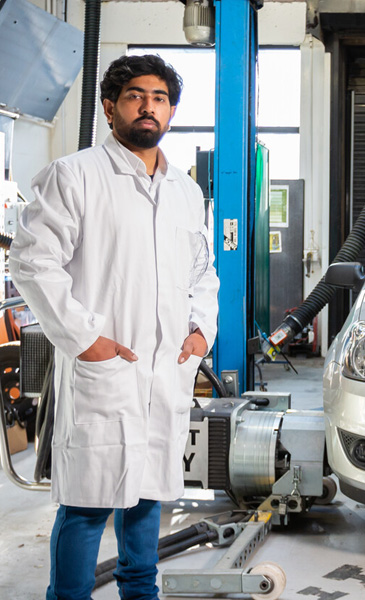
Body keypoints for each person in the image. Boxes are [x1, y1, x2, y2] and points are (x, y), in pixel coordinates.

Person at [9, 54, 219, 600]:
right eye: (135, 96)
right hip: (104, 370)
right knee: (86, 505)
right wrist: (87, 341)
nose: (148, 107)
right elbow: (32, 263)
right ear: (109, 107)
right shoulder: (74, 176)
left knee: (148, 497)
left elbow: (202, 272)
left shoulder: (186, 192)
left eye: (159, 99)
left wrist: (200, 333)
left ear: (171, 112)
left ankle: (139, 592)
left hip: (165, 370)